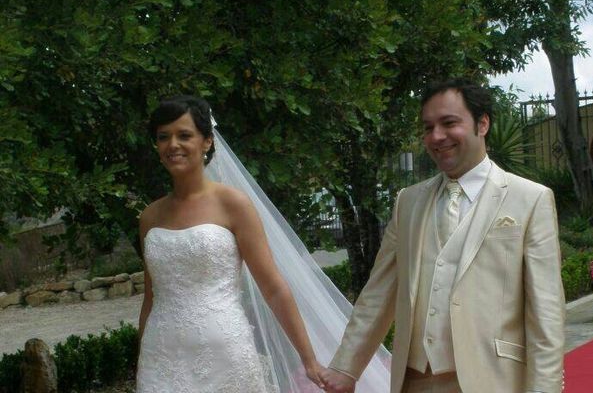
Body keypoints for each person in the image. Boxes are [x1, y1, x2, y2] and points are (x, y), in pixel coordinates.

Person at [321, 79, 565, 393]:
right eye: (428, 127)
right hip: (414, 380)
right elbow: (378, 293)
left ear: (483, 124)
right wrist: (345, 368)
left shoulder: (530, 199)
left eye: (449, 123)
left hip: (494, 380)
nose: (437, 137)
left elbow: (546, 312)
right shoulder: (407, 202)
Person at [136, 95, 326, 393]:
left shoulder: (233, 204)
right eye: (163, 137)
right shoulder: (149, 217)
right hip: (160, 359)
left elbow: (273, 287)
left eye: (184, 135)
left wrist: (309, 359)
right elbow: (151, 297)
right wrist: (142, 358)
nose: (172, 145)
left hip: (225, 356)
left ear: (207, 142)